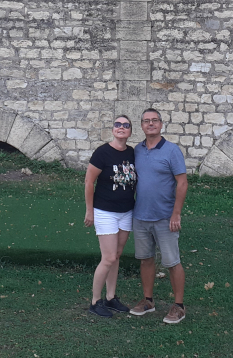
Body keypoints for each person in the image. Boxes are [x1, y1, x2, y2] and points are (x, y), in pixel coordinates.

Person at [129, 108, 189, 324]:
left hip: (165, 217)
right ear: (142, 126)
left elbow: (182, 182)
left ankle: (179, 306)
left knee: (172, 262)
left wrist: (176, 213)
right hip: (141, 215)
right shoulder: (137, 150)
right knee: (146, 260)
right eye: (146, 121)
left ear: (161, 124)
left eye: (154, 120)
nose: (151, 124)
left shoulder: (172, 151)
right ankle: (148, 301)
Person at [84, 115, 137, 318]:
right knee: (107, 258)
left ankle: (111, 297)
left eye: (126, 125)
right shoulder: (102, 153)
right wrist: (90, 211)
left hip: (126, 211)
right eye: (117, 124)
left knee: (116, 256)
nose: (121, 128)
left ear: (130, 131)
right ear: (112, 129)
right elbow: (89, 182)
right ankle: (95, 301)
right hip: (105, 211)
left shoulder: (132, 153)